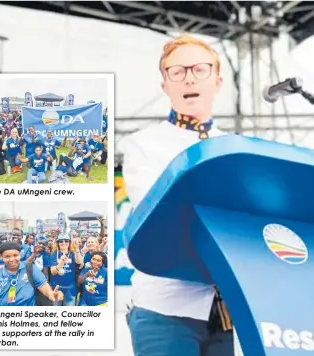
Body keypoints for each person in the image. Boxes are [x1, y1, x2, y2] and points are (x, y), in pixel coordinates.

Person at [120, 35, 233, 355]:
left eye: (199, 69)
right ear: (165, 85)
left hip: (228, 310)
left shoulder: (234, 146)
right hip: (165, 308)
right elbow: (158, 214)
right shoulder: (143, 143)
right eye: (177, 71)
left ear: (217, 80)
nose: (189, 78)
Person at [0, 242, 63, 306]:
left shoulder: (30, 268)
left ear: (20, 255)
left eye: (15, 255)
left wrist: (50, 294)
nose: (11, 259)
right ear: (2, 257)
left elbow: (42, 285)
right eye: (7, 257)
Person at [48, 233, 83, 306]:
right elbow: (53, 272)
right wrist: (61, 263)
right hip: (57, 288)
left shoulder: (73, 253)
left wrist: (77, 249)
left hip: (70, 289)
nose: (64, 243)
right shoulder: (54, 254)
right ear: (58, 243)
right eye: (61, 241)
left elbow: (79, 262)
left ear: (69, 243)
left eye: (66, 241)